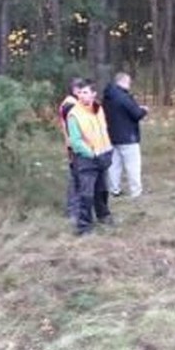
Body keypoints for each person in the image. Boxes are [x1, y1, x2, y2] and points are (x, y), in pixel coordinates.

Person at [67, 79, 114, 236]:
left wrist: (107, 149)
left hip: (103, 154)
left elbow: (104, 130)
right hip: (87, 159)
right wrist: (91, 153)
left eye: (85, 92)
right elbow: (75, 141)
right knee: (86, 194)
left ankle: (103, 215)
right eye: (80, 92)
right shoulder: (74, 114)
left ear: (93, 94)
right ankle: (84, 226)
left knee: (102, 189)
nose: (82, 96)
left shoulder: (99, 109)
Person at [102, 72, 148, 198]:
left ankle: (114, 189)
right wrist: (144, 110)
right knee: (133, 165)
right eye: (128, 82)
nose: (129, 85)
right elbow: (136, 113)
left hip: (111, 135)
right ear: (122, 81)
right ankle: (136, 191)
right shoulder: (123, 96)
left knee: (114, 165)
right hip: (128, 136)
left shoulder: (107, 96)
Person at [58, 78, 85, 222]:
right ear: (75, 90)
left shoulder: (70, 103)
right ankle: (73, 211)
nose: (84, 95)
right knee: (76, 178)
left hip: (73, 145)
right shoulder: (70, 105)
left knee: (77, 178)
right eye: (81, 91)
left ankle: (74, 209)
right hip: (74, 145)